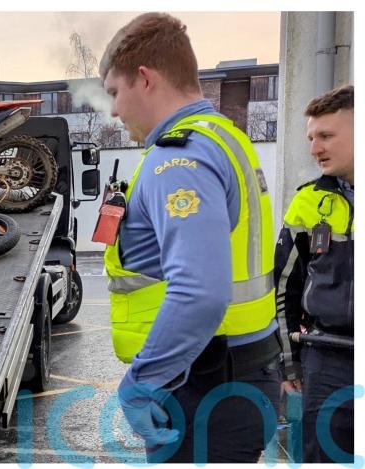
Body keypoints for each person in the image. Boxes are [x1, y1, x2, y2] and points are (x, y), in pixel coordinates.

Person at [98, 13, 281, 462]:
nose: (114, 110)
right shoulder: (223, 137)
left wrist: (141, 384)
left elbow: (199, 291)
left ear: (145, 79)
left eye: (115, 93)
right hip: (238, 373)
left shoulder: (176, 160)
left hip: (203, 386)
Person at [274, 84, 354, 463]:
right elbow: (284, 286)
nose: (314, 148)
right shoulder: (308, 202)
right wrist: (289, 360)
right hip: (327, 360)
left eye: (326, 136)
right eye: (311, 137)